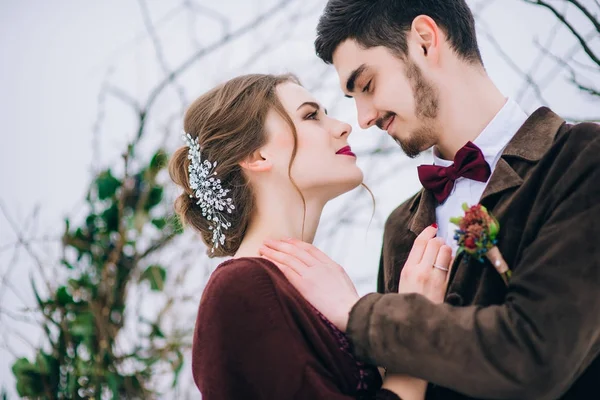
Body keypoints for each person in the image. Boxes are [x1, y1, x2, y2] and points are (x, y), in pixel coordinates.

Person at [260, 1, 600, 399]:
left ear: (424, 40)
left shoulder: (581, 159)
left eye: (367, 85)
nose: (363, 117)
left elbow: (537, 356)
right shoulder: (400, 228)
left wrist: (357, 314)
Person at [168, 73, 453, 399]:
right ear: (256, 156)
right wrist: (412, 339)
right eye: (310, 116)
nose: (343, 127)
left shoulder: (312, 286)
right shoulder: (239, 289)